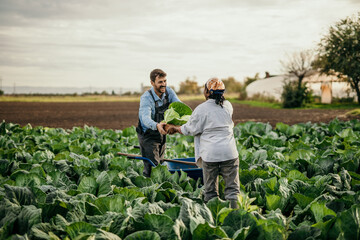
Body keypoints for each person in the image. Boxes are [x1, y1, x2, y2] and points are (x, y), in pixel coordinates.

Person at [166, 78, 240, 208]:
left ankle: (212, 217)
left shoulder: (201, 109)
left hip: (211, 154)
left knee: (210, 191)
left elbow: (190, 129)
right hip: (229, 152)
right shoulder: (228, 106)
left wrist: (175, 128)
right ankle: (235, 214)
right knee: (232, 190)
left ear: (207, 92)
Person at [136, 69, 181, 177]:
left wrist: (178, 124)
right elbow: (145, 118)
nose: (163, 84)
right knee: (153, 167)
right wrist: (157, 125)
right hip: (148, 135)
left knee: (160, 164)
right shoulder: (146, 98)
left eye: (165, 81)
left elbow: (179, 106)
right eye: (160, 82)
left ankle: (158, 188)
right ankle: (148, 189)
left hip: (161, 132)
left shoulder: (168, 92)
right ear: (152, 83)